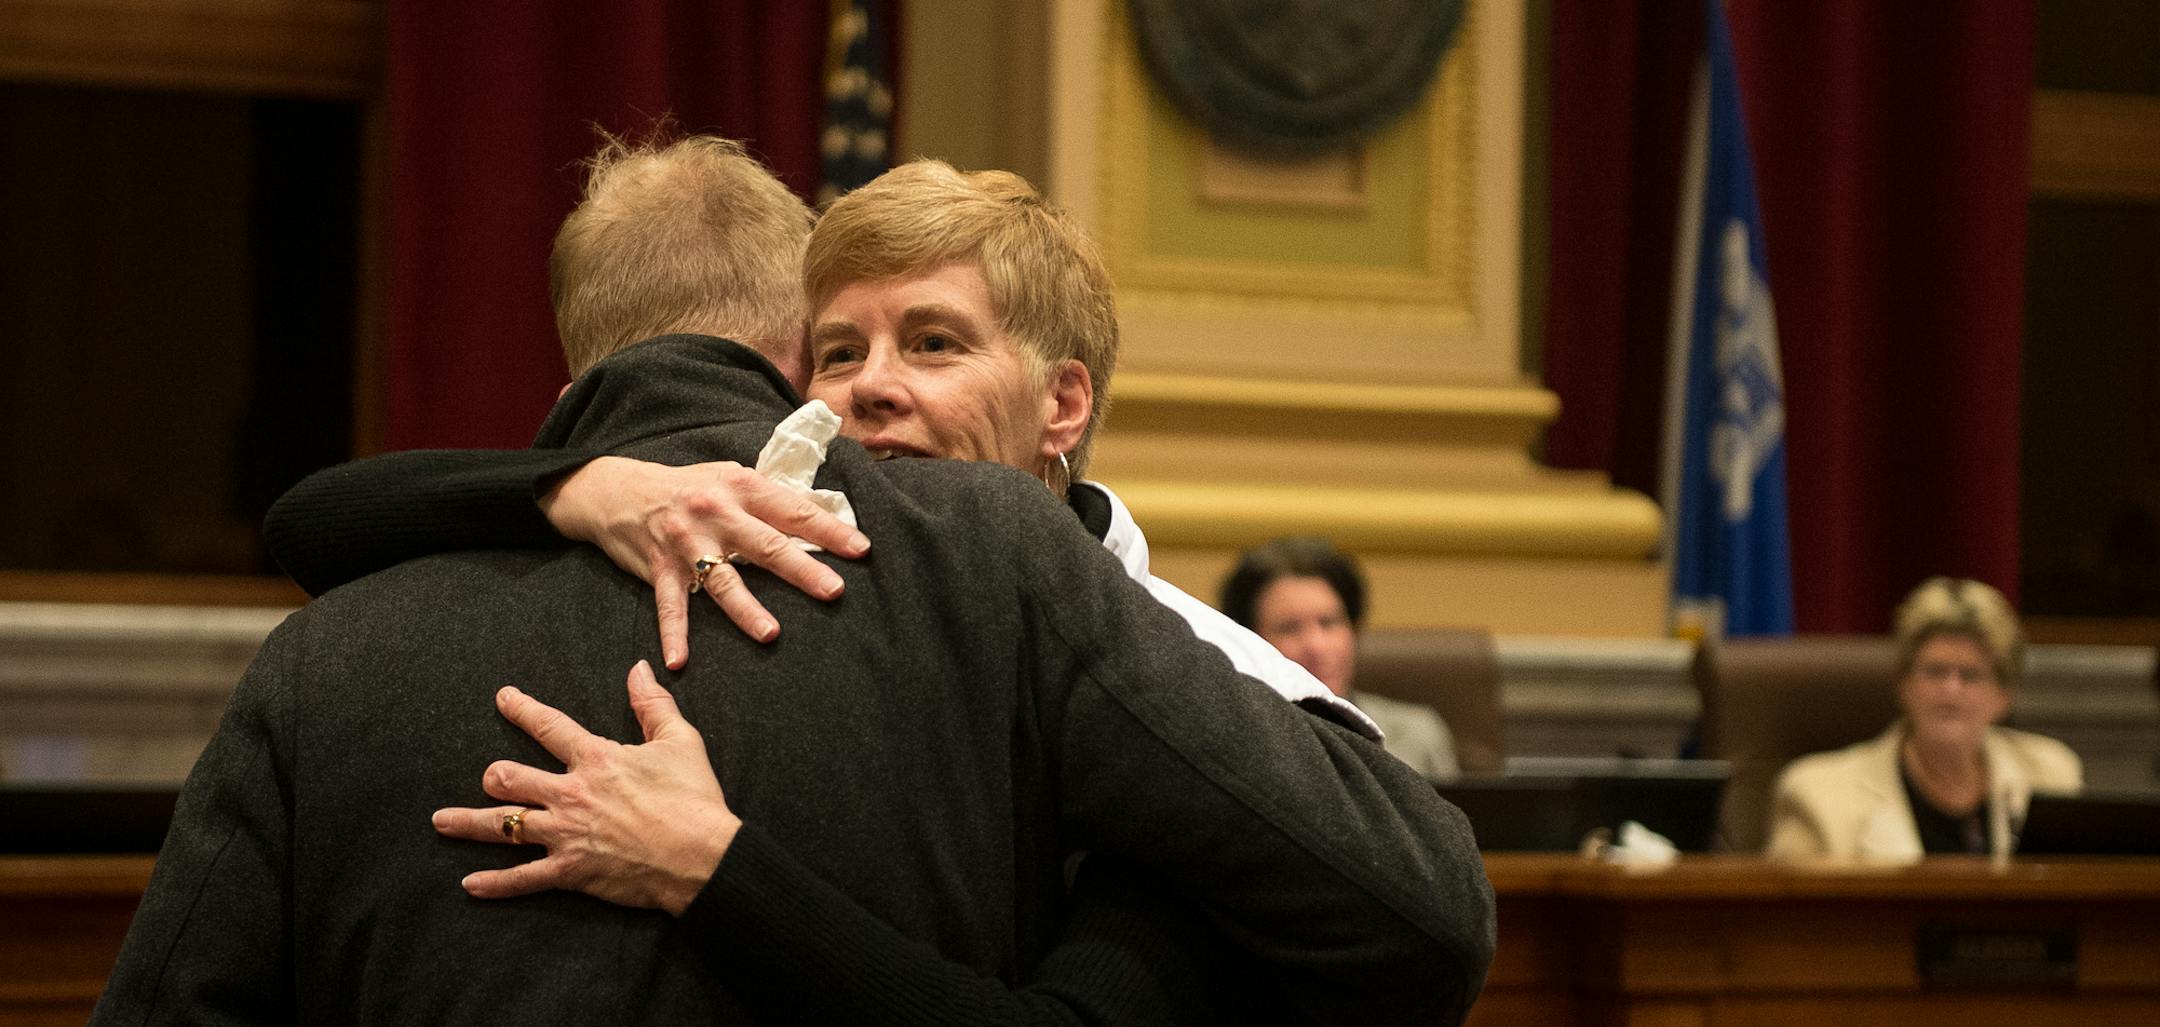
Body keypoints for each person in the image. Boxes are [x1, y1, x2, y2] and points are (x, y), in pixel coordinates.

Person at [97, 138, 1494, 1023]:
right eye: (844, 353)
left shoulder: (326, 648)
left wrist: (723, 869)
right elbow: (1423, 922)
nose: (878, 391)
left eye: (934, 344)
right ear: (788, 373)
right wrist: (584, 484)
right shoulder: (977, 571)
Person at [1764, 577, 2083, 860]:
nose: (1950, 690)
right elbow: (1795, 923)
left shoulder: (2050, 775)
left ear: (2003, 696)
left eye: (1970, 675)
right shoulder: (1819, 796)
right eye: (1935, 671)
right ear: (1904, 685)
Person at [1220, 537, 1460, 779]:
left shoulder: (1417, 734)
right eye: (1290, 628)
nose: (1316, 645)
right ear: (1251, 640)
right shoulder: (1234, 741)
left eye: (1329, 623)